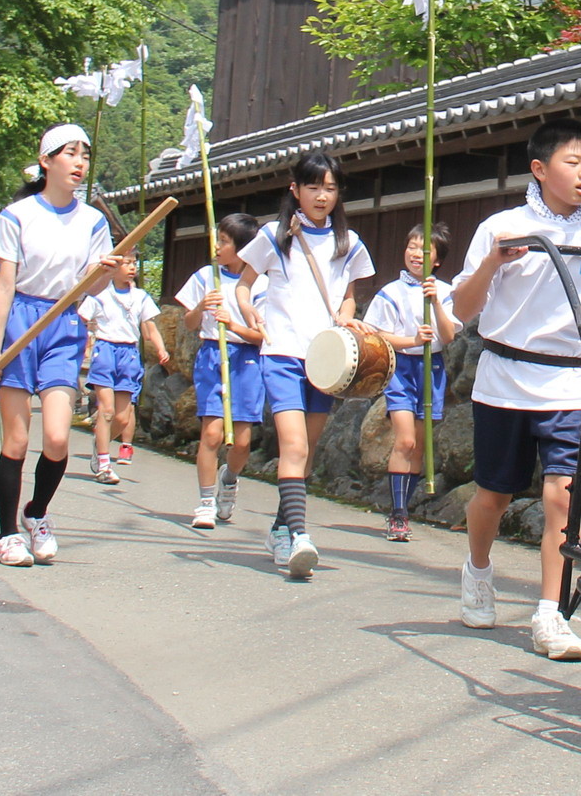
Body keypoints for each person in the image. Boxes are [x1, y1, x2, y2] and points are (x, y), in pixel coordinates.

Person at [450, 118, 581, 660]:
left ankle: (550, 613)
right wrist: (494, 262)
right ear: (540, 169)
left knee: (560, 497)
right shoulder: (504, 227)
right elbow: (462, 308)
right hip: (504, 380)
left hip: (571, 379)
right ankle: (477, 570)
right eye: (573, 163)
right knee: (494, 496)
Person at [0, 125, 118, 567]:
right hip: (21, 321)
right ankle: (6, 535)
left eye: (85, 156)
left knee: (57, 438)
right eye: (71, 154)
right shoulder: (16, 216)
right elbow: (3, 286)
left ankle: (36, 513)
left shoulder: (93, 221)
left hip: (64, 325)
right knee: (16, 441)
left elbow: (93, 287)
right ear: (46, 161)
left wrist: (105, 271)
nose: (80, 163)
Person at [236, 152, 375, 578]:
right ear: (295, 189)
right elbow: (243, 287)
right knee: (294, 446)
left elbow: (348, 296)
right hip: (281, 353)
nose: (322, 196)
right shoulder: (274, 237)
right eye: (313, 186)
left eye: (330, 188)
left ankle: (280, 529)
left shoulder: (348, 243)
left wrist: (347, 313)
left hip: (327, 360)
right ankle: (299, 536)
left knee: (307, 453)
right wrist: (249, 312)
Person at [364, 223, 457, 542]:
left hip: (432, 369)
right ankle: (398, 513)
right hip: (401, 368)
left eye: (425, 250)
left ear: (438, 260)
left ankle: (404, 506)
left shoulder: (445, 292)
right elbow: (375, 333)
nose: (416, 254)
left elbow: (449, 335)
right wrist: (411, 339)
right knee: (404, 440)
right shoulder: (390, 292)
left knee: (419, 445)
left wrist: (435, 303)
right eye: (412, 247)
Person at [176, 213, 266, 529]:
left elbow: (262, 337)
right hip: (212, 356)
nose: (217, 246)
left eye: (225, 241)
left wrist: (235, 325)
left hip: (246, 362)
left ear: (243, 250)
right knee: (211, 432)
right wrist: (201, 307)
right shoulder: (206, 276)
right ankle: (204, 502)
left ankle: (229, 480)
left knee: (241, 441)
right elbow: (187, 323)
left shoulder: (262, 284)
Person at [78, 253, 169, 484]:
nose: (131, 268)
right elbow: (80, 319)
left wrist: (161, 349)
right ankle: (104, 464)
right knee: (106, 410)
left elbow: (149, 327)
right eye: (125, 263)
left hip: (129, 354)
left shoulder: (140, 297)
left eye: (133, 263)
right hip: (106, 350)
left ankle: (101, 443)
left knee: (122, 416)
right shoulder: (100, 294)